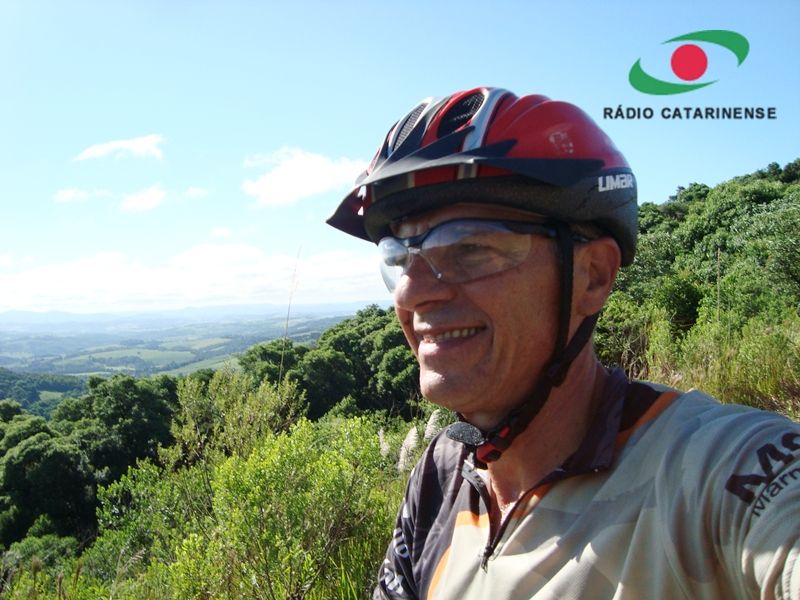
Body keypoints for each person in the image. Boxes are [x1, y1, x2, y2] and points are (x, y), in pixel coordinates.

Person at [327, 87, 800, 599]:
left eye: (468, 246)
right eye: (398, 257)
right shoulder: (443, 474)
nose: (411, 292)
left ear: (593, 275)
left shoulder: (712, 471)